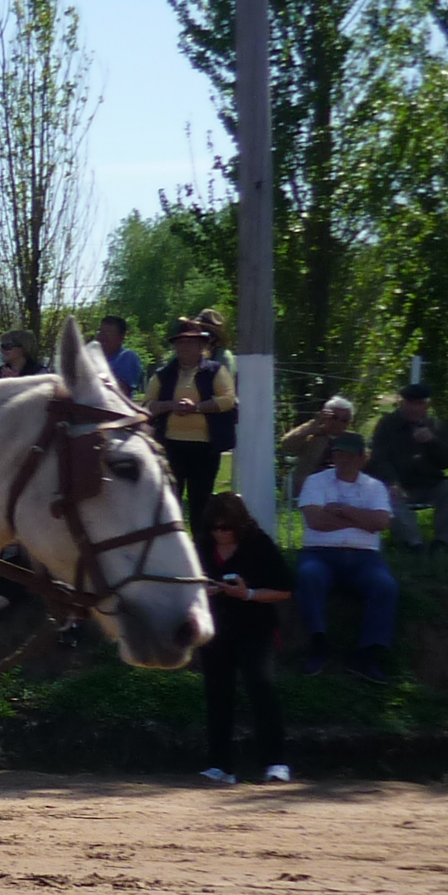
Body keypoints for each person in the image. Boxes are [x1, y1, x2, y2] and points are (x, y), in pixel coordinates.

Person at [196, 491, 294, 785]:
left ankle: (276, 762)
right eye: (215, 527)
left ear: (239, 524)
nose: (220, 534)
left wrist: (248, 593)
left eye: (226, 527)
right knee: (217, 693)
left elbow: (285, 589)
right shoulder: (201, 545)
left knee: (261, 689)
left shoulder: (258, 544)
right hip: (215, 628)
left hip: (255, 627)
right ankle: (220, 765)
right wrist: (207, 590)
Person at [295, 431, 398, 682]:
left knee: (385, 586)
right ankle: (318, 645)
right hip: (320, 553)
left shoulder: (375, 487)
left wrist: (343, 510)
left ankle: (367, 655)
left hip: (365, 557)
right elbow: (315, 521)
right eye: (339, 454)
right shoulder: (316, 482)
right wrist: (361, 519)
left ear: (363, 458)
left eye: (351, 455)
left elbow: (381, 522)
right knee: (308, 577)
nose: (344, 460)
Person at [145, 322, 237, 528]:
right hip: (170, 445)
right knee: (170, 500)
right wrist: (169, 405)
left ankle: (201, 550)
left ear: (202, 346)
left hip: (205, 447)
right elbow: (147, 405)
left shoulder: (215, 371)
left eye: (190, 342)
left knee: (201, 502)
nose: (184, 347)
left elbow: (228, 399)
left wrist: (197, 408)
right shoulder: (163, 374)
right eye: (180, 343)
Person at [368, 382, 448, 551]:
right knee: (388, 494)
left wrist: (432, 442)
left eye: (419, 403)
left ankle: (442, 542)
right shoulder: (387, 425)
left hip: (430, 484)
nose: (414, 408)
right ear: (402, 403)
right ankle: (413, 544)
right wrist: (392, 482)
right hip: (401, 486)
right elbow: (378, 459)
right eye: (410, 403)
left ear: (427, 405)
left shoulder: (436, 426)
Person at [282, 395, 355, 493]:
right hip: (307, 489)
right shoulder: (312, 435)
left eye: (344, 420)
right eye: (334, 417)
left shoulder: (352, 440)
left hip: (341, 491)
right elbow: (287, 445)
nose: (338, 422)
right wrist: (312, 425)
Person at [96, 314, 144, 398]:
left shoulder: (127, 357)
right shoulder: (91, 356)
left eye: (108, 333)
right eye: (100, 332)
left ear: (121, 338)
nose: (102, 337)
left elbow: (123, 391)